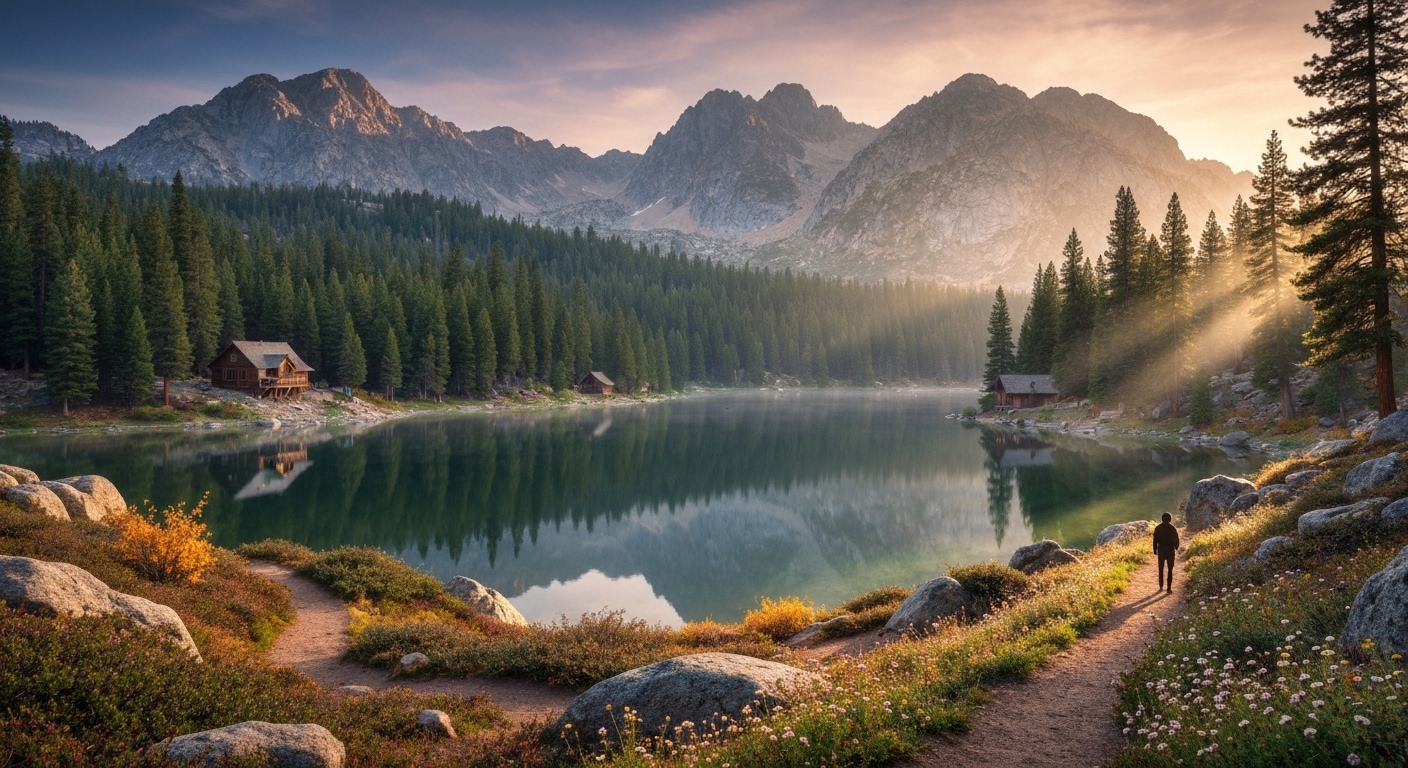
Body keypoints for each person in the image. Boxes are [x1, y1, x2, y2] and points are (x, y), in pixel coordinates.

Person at [1153, 512, 1179, 593]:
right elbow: (1176, 539)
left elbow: (1155, 540)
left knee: (1161, 568)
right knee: (1170, 570)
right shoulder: (1172, 528)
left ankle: (1161, 585)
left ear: (1162, 519)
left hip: (1161, 549)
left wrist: (1155, 549)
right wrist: (1176, 546)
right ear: (1170, 519)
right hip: (1170, 550)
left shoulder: (1158, 528)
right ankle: (1169, 588)